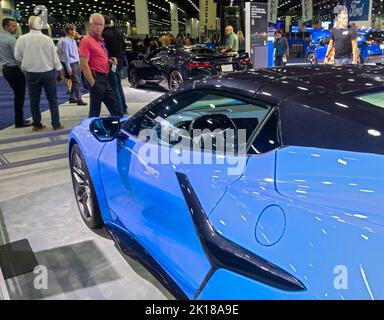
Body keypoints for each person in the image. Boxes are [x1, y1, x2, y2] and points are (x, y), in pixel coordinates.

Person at [14, 16, 64, 132]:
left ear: (29, 25)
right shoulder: (47, 39)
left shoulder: (22, 39)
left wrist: (27, 61)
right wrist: (60, 72)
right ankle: (56, 124)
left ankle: (36, 125)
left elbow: (17, 56)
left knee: (34, 100)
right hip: (47, 73)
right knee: (52, 99)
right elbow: (55, 58)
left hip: (31, 73)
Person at [79, 13, 122, 118]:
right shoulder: (86, 40)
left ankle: (118, 130)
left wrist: (109, 61)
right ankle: (89, 132)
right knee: (95, 112)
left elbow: (98, 58)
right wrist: (92, 83)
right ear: (90, 25)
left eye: (100, 24)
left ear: (104, 26)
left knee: (116, 109)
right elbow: (83, 64)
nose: (98, 27)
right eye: (95, 24)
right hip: (96, 78)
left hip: (104, 77)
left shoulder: (99, 40)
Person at [0, 18, 31, 128]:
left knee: (17, 95)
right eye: (13, 26)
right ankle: (19, 121)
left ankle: (19, 119)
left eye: (15, 25)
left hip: (5, 69)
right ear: (6, 26)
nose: (15, 28)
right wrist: (25, 73)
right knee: (19, 96)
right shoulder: (11, 40)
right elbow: (17, 59)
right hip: (14, 69)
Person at [102, 15, 127, 114]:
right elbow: (124, 46)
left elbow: (104, 50)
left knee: (114, 87)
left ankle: (119, 110)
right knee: (118, 86)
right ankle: (123, 107)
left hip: (110, 62)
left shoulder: (104, 34)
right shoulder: (118, 31)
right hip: (119, 62)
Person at [62, 24, 87, 106]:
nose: (75, 32)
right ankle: (79, 99)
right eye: (74, 30)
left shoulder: (73, 40)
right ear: (69, 31)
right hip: (71, 63)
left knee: (77, 81)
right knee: (76, 81)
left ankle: (72, 98)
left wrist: (79, 63)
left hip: (77, 62)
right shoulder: (64, 41)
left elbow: (77, 52)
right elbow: (66, 56)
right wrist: (68, 68)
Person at [57, 30, 72, 94]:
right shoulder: (64, 41)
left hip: (61, 60)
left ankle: (69, 88)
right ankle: (69, 88)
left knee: (67, 76)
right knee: (69, 76)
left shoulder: (59, 41)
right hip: (66, 60)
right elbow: (66, 52)